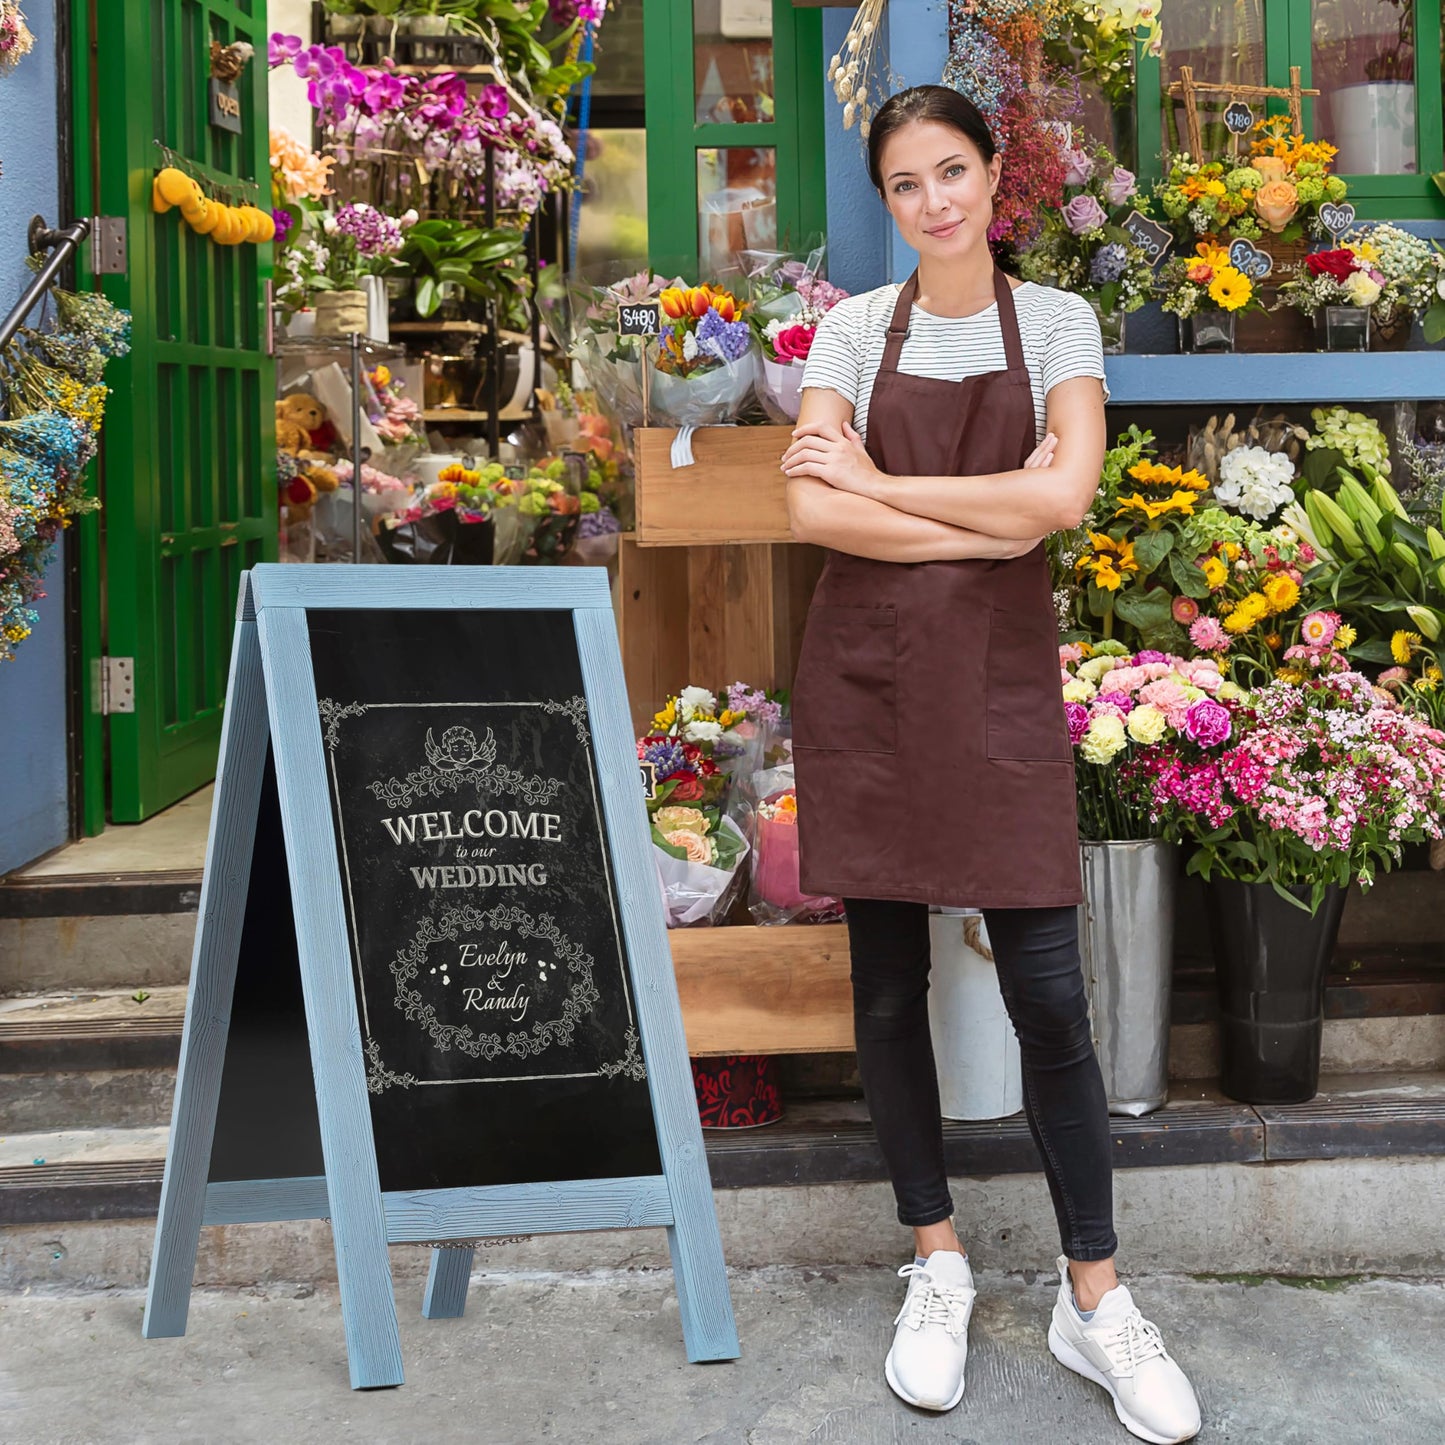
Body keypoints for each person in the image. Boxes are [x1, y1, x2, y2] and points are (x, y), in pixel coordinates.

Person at [781, 84, 1202, 1444]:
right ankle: (936, 1260)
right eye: (904, 184)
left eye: (950, 172)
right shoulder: (851, 328)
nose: (932, 203)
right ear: (885, 199)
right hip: (867, 684)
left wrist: (881, 492)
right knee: (888, 994)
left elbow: (1060, 499)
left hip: (999, 685)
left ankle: (1094, 1293)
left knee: (1049, 998)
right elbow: (806, 504)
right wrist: (979, 514)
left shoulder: (1059, 323)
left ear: (993, 172)